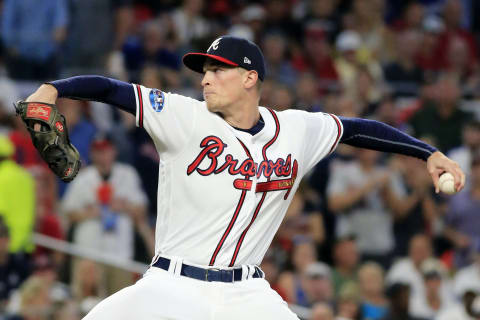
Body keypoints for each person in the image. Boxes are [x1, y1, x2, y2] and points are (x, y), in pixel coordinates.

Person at [24, 35, 464, 319]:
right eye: (205, 71)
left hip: (247, 295)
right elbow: (109, 88)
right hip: (170, 287)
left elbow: (358, 129)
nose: (206, 79)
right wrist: (54, 89)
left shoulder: (295, 129)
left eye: (218, 69)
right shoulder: (182, 116)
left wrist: (427, 154)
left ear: (250, 77)